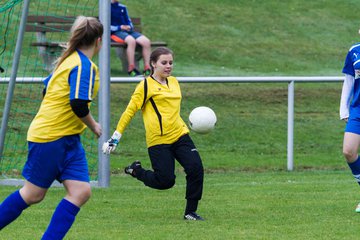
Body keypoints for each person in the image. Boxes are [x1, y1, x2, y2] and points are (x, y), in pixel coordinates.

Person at [0, 16, 103, 239]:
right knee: (33, 194)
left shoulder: (68, 60)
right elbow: (78, 103)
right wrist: (94, 125)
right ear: (99, 41)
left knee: (80, 191)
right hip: (50, 138)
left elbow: (46, 89)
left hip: (69, 139)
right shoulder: (82, 65)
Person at [102, 47, 205, 221]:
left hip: (180, 135)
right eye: (164, 63)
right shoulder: (145, 86)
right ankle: (136, 171)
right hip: (159, 141)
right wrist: (115, 138)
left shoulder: (174, 82)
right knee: (166, 181)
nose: (168, 66)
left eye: (170, 63)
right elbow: (129, 111)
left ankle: (190, 212)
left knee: (196, 169)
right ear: (153, 64)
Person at [340, 42, 360, 213]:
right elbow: (348, 81)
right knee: (349, 150)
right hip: (357, 110)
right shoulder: (354, 51)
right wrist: (343, 109)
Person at [111, 0, 152, 77]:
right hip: (115, 33)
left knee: (146, 42)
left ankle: (147, 68)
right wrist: (120, 27)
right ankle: (131, 69)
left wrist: (129, 26)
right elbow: (106, 25)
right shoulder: (107, 8)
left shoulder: (122, 7)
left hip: (128, 32)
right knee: (131, 41)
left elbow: (128, 21)